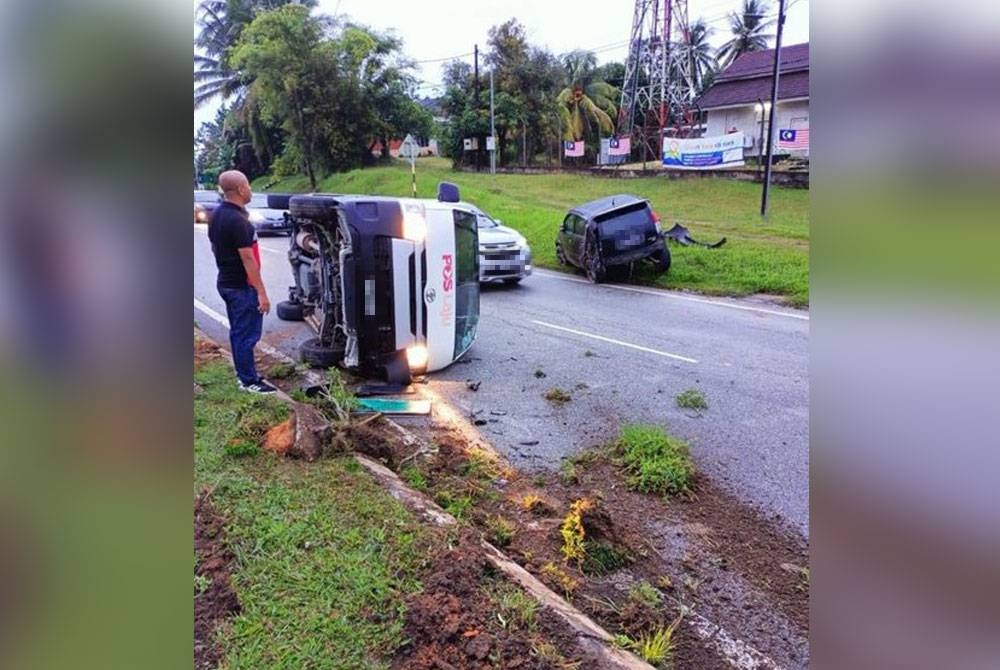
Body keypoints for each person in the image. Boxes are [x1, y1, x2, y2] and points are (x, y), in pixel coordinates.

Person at [208, 170, 275, 394]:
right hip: (241, 287)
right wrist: (261, 293)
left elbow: (215, 248)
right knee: (247, 335)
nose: (250, 190)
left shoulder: (217, 215)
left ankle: (244, 374)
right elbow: (248, 258)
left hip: (226, 281)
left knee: (238, 332)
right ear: (240, 189)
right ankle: (249, 382)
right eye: (248, 185)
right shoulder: (238, 220)